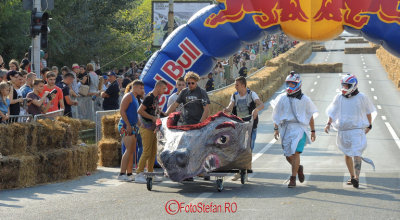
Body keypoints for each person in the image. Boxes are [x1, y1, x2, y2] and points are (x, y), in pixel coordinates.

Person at [325, 74, 376, 188]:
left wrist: (369, 125)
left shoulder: (362, 97)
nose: (344, 88)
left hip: (357, 130)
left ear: (353, 85)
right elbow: (332, 111)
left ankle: (357, 178)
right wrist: (328, 124)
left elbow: (368, 112)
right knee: (347, 153)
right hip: (343, 130)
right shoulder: (338, 97)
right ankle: (352, 176)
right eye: (343, 85)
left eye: (347, 85)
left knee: (357, 153)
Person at [271, 71, 317, 188]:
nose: (290, 86)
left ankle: (293, 178)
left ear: (298, 84)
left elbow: (310, 115)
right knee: (288, 154)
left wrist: (313, 131)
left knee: (295, 152)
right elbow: (276, 114)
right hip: (285, 128)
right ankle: (298, 168)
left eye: (292, 84)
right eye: (288, 84)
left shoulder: (305, 99)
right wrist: (275, 128)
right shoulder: (282, 98)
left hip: (299, 128)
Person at [223, 76, 264, 180]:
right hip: (239, 125)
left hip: (251, 125)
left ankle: (244, 170)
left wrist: (256, 110)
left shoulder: (251, 94)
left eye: (237, 85)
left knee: (249, 148)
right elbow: (230, 106)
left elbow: (261, 104)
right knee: (238, 147)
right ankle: (239, 171)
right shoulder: (234, 95)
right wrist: (227, 109)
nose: (235, 87)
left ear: (243, 85)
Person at [135, 80, 167, 183]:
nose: (164, 91)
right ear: (158, 87)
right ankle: (139, 173)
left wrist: (163, 114)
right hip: (146, 128)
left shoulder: (155, 98)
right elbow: (140, 111)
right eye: (163, 89)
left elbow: (155, 110)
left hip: (153, 128)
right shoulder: (149, 98)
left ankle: (150, 173)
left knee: (153, 152)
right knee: (147, 151)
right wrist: (152, 118)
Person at [117, 80, 145, 182]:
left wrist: (141, 126)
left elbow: (136, 116)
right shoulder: (128, 96)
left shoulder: (136, 99)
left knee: (132, 151)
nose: (142, 90)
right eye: (141, 88)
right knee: (128, 150)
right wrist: (128, 124)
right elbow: (122, 111)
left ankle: (129, 173)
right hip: (125, 125)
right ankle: (121, 174)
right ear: (135, 87)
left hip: (132, 126)